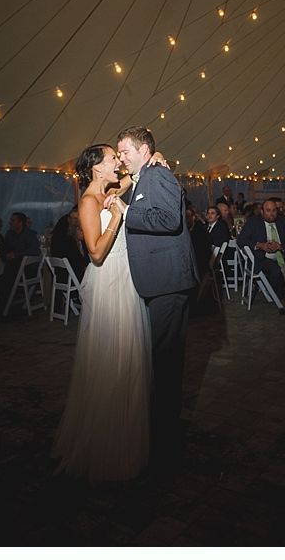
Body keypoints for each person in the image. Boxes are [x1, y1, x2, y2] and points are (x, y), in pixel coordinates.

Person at [52, 144, 151, 482]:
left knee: (129, 359)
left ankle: (127, 440)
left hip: (126, 278)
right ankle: (106, 447)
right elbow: (94, 252)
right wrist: (118, 218)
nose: (117, 162)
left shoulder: (110, 189)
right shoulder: (89, 202)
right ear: (96, 167)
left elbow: (129, 179)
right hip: (108, 280)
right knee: (111, 358)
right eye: (112, 158)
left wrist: (149, 162)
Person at [117, 126, 200, 466]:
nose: (121, 158)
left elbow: (168, 219)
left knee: (166, 362)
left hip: (168, 282)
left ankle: (166, 441)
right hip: (159, 282)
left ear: (143, 150)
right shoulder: (145, 176)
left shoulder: (158, 176)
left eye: (124, 152)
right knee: (160, 360)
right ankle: (162, 431)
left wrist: (126, 213)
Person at [237, 198, 285, 313]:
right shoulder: (253, 222)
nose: (272, 214)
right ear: (262, 211)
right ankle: (281, 298)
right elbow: (241, 240)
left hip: (283, 255)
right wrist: (259, 245)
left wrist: (281, 246)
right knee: (276, 270)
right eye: (268, 210)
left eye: (274, 210)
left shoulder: (283, 221)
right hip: (262, 257)